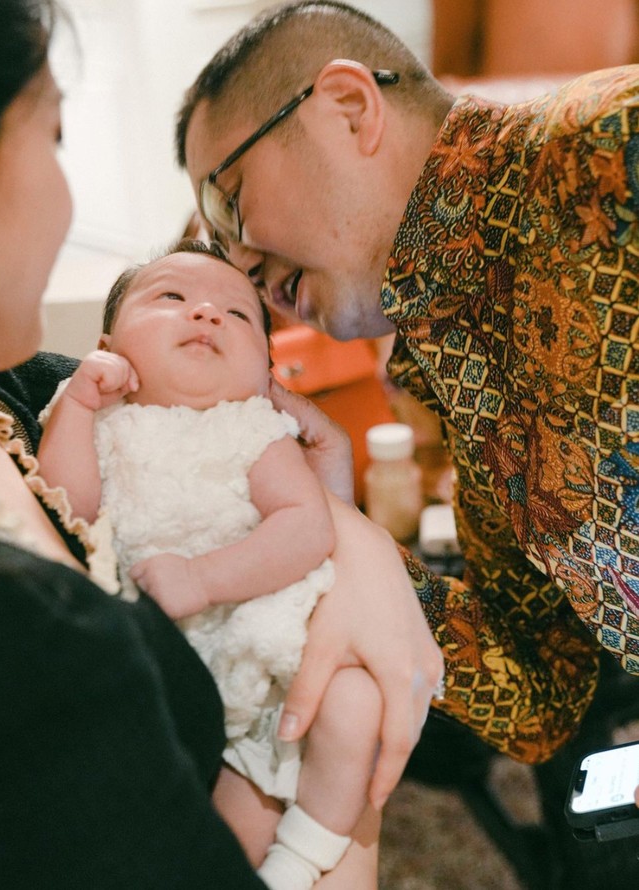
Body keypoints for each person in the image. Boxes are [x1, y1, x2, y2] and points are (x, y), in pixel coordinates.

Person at [0, 1, 443, 885]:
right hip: (227, 736)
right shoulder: (36, 634)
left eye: (237, 310)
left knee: (344, 722)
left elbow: (300, 497)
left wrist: (357, 538)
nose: (224, 292)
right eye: (51, 135)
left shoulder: (17, 385)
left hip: (267, 661)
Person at [174, 0, 639, 772]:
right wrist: (332, 533)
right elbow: (537, 697)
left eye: (228, 203)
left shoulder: (604, 140)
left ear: (350, 109)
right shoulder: (456, 378)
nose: (240, 264)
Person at [37, 238, 392, 890]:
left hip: (263, 652)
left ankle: (299, 860)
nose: (205, 315)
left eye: (236, 314)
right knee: (201, 823)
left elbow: (306, 525)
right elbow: (69, 510)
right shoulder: (92, 412)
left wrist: (204, 578)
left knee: (354, 705)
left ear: (265, 369)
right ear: (109, 344)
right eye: (171, 297)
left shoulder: (251, 427)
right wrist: (80, 404)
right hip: (168, 673)